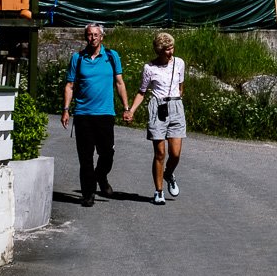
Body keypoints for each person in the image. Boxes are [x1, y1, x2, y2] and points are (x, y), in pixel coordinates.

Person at [62, 23, 130, 207]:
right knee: (85, 157)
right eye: (89, 35)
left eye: (95, 35)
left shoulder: (111, 56)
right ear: (86, 37)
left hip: (105, 113)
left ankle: (101, 175)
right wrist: (66, 110)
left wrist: (126, 107)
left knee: (107, 152)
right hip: (83, 114)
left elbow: (119, 83)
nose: (92, 38)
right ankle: (88, 194)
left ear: (102, 37)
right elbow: (70, 86)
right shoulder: (78, 58)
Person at [124, 31, 186, 206]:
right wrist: (131, 110)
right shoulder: (149, 68)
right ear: (159, 50)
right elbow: (142, 91)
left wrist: (176, 101)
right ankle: (158, 192)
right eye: (166, 49)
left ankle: (169, 174)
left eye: (172, 47)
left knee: (175, 154)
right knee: (160, 153)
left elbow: (181, 87)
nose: (170, 52)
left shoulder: (179, 63)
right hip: (157, 107)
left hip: (175, 107)